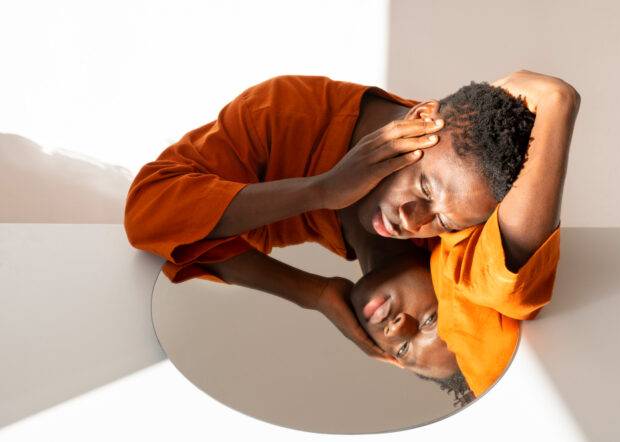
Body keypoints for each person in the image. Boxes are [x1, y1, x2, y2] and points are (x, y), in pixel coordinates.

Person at [123, 71, 554, 365]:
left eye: (441, 222)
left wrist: (315, 293)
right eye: (424, 189)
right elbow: (149, 211)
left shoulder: (461, 208)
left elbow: (512, 291)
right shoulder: (284, 112)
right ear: (422, 120)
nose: (413, 221)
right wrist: (322, 189)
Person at [347, 70, 580, 402]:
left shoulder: (440, 227)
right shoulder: (453, 242)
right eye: (430, 319)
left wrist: (314, 293)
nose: (396, 327)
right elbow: (509, 270)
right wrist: (557, 102)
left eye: (402, 350)